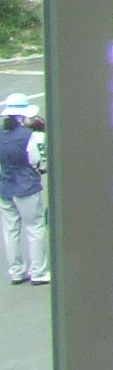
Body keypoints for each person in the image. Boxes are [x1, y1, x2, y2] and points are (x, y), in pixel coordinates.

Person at [0, 95, 45, 285]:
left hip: (5, 186)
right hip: (26, 186)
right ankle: (38, 272)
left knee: (10, 231)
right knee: (35, 228)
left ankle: (16, 272)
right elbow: (35, 160)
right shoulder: (28, 135)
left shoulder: (2, 134)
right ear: (21, 116)